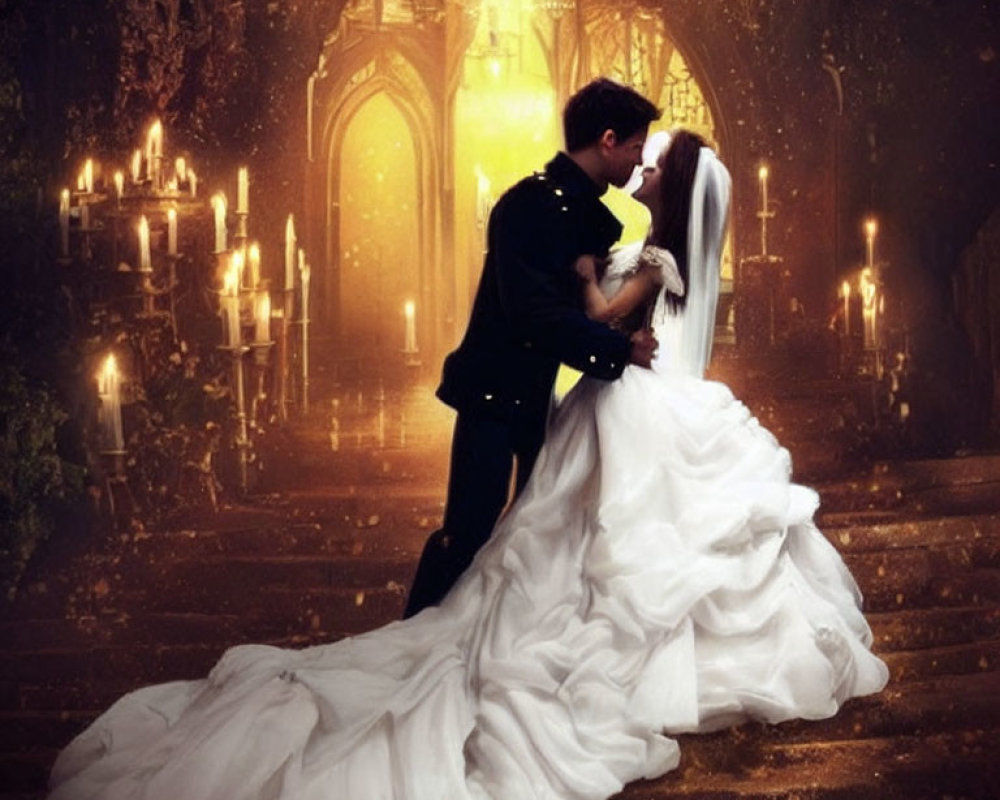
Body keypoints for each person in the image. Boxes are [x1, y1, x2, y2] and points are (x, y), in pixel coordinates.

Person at [47, 131, 888, 800]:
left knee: (586, 546)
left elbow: (609, 317)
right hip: (631, 390)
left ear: (671, 184)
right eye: (639, 151)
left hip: (633, 397)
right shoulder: (657, 248)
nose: (642, 166)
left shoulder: (655, 257)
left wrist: (598, 288)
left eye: (653, 162)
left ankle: (508, 631)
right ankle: (488, 618)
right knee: (572, 541)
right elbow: (619, 328)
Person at [403, 78, 661, 618]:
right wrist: (616, 352)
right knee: (469, 531)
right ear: (608, 140)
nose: (639, 162)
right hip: (494, 393)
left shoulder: (577, 208)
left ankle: (497, 638)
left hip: (534, 396)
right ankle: (415, 634)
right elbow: (534, 313)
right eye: (636, 147)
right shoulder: (529, 205)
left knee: (529, 533)